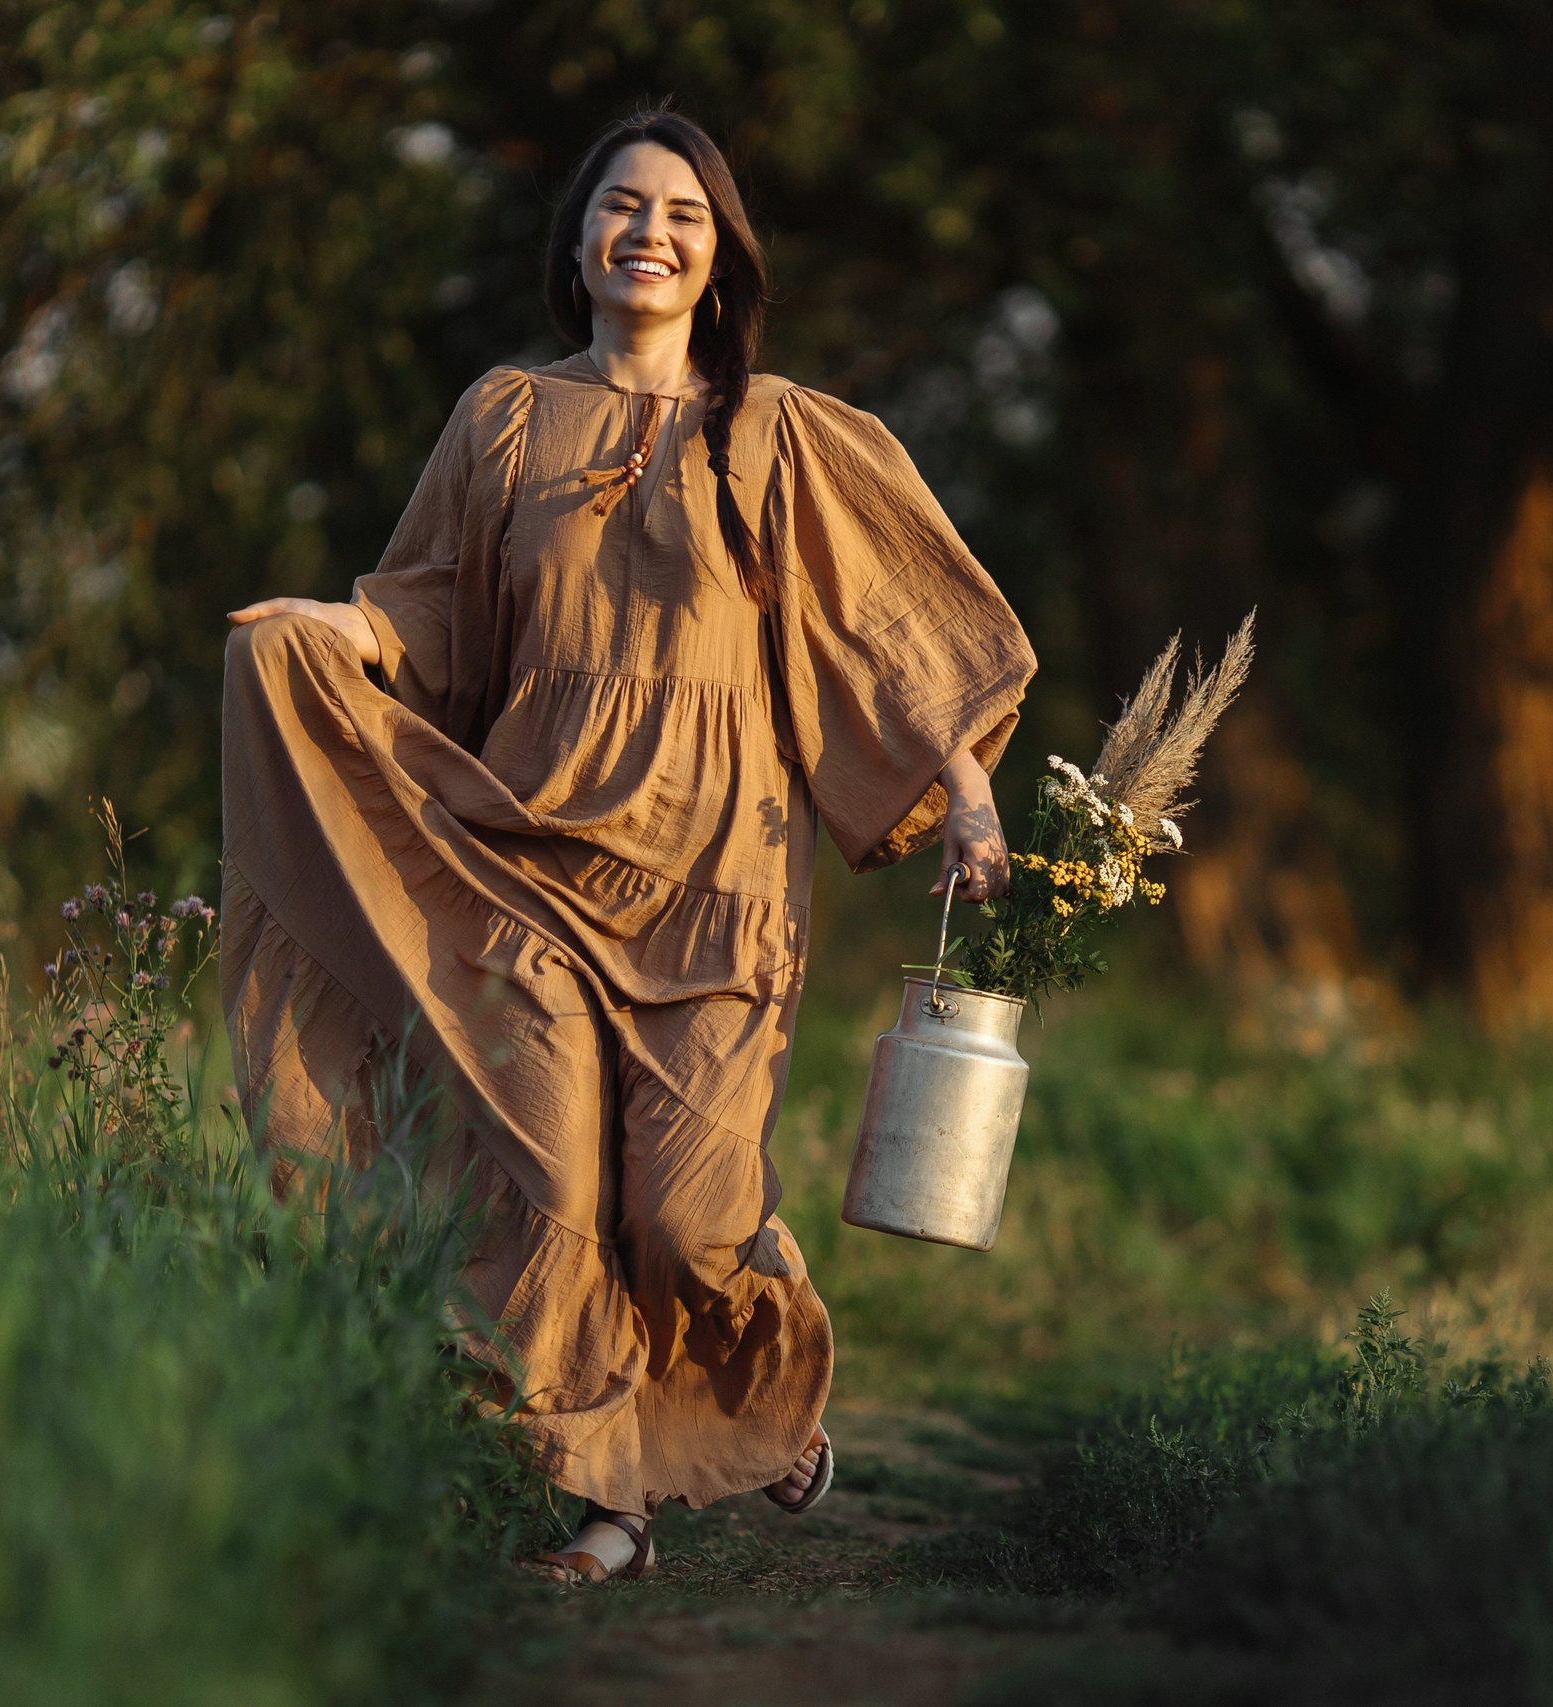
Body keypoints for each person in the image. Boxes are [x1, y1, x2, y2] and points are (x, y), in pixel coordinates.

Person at [219, 108, 1034, 1584]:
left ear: (720, 258)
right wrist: (327, 627)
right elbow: (428, 605)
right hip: (525, 861)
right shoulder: (506, 420)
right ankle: (606, 1502)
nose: (650, 231)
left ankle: (763, 1406)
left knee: (691, 1214)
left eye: (684, 214)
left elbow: (888, 635)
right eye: (621, 206)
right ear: (579, 242)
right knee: (554, 1188)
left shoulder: (777, 431)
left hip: (717, 883)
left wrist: (965, 788)